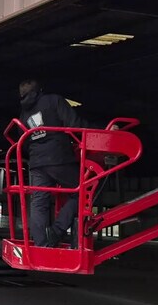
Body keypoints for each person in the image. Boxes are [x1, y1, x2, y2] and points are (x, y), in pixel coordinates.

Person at [18, 78, 116, 248]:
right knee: (83, 189)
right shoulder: (53, 100)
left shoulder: (23, 115)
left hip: (36, 163)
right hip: (58, 158)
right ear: (40, 90)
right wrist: (104, 129)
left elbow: (23, 142)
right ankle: (57, 230)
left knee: (39, 202)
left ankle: (41, 246)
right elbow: (75, 124)